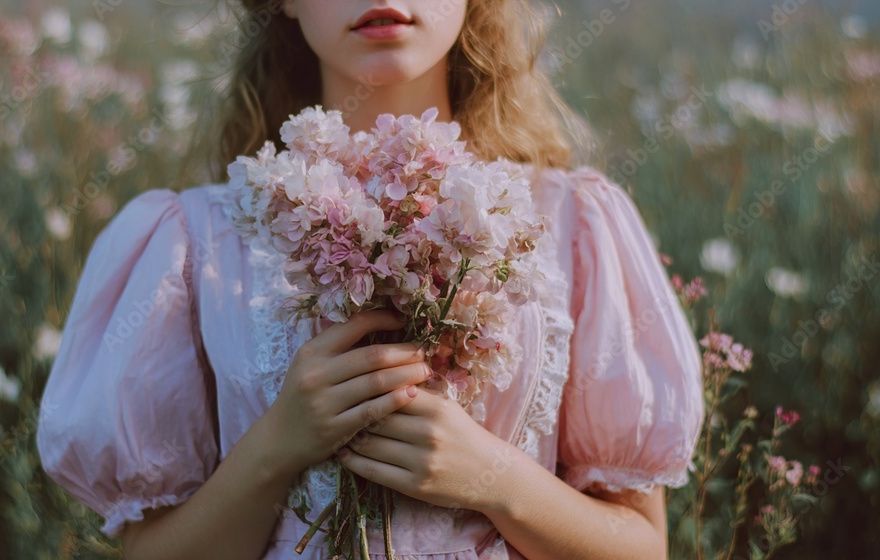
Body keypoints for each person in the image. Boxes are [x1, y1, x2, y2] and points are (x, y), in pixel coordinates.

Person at [35, 1, 704, 559]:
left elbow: (643, 546)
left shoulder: (571, 225)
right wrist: (276, 447)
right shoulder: (195, 241)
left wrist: (495, 480)